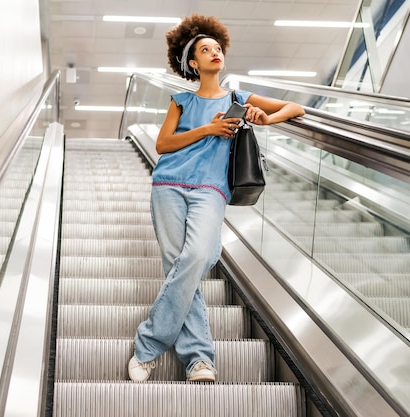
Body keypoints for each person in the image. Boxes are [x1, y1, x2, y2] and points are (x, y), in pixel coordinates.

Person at [128, 13, 305, 383]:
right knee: (179, 264)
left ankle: (148, 345)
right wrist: (208, 128)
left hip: (211, 189)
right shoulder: (180, 100)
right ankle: (199, 360)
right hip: (170, 184)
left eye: (218, 48)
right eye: (205, 50)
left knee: (196, 257)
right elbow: (163, 144)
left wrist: (266, 119)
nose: (214, 54)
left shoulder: (239, 98)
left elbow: (296, 108)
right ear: (193, 62)